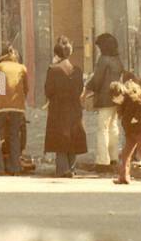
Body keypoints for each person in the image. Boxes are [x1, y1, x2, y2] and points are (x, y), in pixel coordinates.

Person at [44, 36, 88, 177]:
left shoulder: (53, 70)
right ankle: (72, 167)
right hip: (75, 107)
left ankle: (63, 169)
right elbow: (80, 89)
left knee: (60, 137)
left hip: (58, 107)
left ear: (56, 55)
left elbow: (48, 91)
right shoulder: (78, 70)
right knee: (73, 135)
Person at [84, 33, 124, 172]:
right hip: (116, 97)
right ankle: (114, 157)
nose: (99, 49)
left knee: (102, 129)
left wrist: (87, 88)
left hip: (104, 98)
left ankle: (103, 160)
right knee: (114, 127)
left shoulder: (103, 60)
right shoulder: (118, 59)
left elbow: (97, 79)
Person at [0, 45, 29, 176]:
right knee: (14, 135)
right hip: (18, 107)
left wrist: (2, 98)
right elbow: (26, 89)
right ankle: (15, 167)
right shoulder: (22, 68)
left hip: (1, 106)